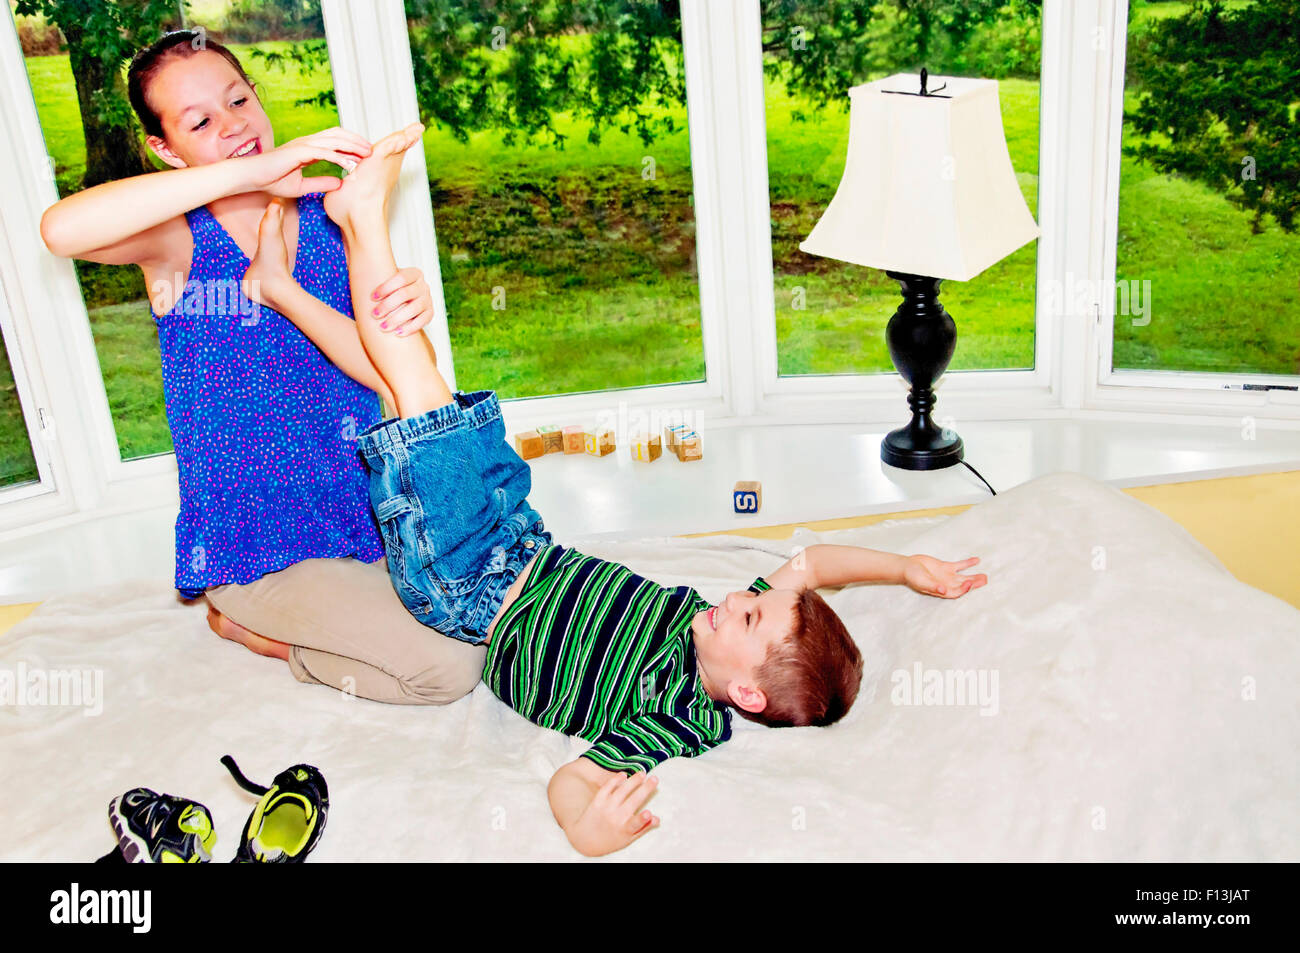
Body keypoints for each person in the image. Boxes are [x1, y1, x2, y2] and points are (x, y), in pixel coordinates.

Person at [324, 122, 991, 856]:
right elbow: (810, 566)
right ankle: (323, 256)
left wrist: (593, 828)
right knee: (418, 386)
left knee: (419, 394)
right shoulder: (729, 628)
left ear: (746, 695)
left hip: (470, 586)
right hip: (523, 537)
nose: (737, 598)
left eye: (747, 618)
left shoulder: (677, 719)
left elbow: (570, 783)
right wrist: (903, 567)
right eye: (753, 600)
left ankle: (363, 218)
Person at [38, 30, 485, 704]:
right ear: (166, 149)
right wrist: (249, 172)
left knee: (493, 616)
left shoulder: (329, 212)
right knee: (446, 670)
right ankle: (253, 629)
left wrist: (395, 308)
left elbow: (387, 374)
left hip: (371, 517)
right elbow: (60, 230)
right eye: (200, 122)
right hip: (258, 551)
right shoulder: (179, 236)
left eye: (238, 99)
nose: (234, 125)